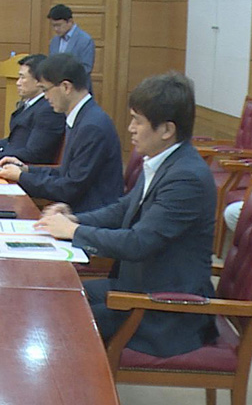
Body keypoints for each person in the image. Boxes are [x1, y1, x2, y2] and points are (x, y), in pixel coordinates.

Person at [35, 72, 217, 357]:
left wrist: (73, 232)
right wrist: (76, 219)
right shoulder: (163, 161)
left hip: (163, 309)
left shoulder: (186, 178)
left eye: (138, 121)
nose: (130, 128)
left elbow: (139, 243)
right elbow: (124, 209)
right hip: (136, 288)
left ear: (166, 130)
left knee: (60, 322)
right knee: (54, 296)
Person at [0, 53, 122, 213]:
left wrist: (21, 177)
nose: (45, 97)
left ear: (66, 87)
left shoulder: (91, 126)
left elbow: (70, 188)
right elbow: (65, 172)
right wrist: (25, 169)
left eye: (45, 90)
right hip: (76, 210)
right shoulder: (83, 117)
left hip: (90, 216)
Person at [0, 54, 65, 164]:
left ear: (39, 81)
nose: (18, 83)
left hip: (23, 167)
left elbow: (35, 153)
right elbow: (16, 139)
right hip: (9, 162)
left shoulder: (48, 110)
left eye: (22, 77)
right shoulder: (30, 104)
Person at [47, 4, 95, 75]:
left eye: (59, 25)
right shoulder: (54, 40)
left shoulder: (85, 40)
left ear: (70, 21)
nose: (56, 29)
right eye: (53, 25)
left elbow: (86, 68)